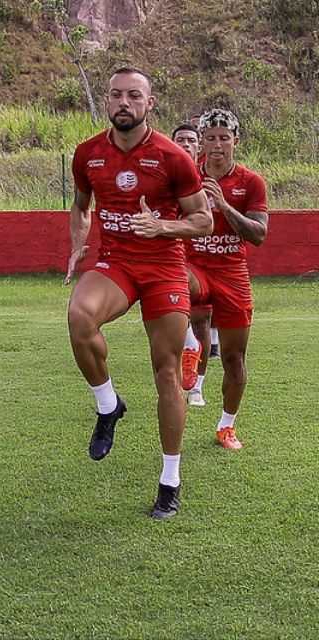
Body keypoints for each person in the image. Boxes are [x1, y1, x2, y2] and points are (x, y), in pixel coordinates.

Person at [65, 68, 212, 519]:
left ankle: (170, 481)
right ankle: (108, 405)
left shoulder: (173, 156)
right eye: (116, 95)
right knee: (79, 316)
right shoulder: (88, 153)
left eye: (134, 95)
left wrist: (161, 226)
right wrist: (77, 245)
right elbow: (81, 205)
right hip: (117, 262)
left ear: (150, 103)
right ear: (107, 101)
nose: (123, 103)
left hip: (164, 268)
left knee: (167, 373)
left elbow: (203, 220)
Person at [184, 109, 268, 448]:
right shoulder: (187, 177)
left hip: (232, 274)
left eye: (224, 138)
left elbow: (259, 234)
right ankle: (190, 344)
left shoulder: (251, 182)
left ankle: (226, 427)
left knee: (234, 360)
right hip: (194, 265)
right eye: (210, 138)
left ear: (236, 140)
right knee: (173, 282)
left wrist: (224, 206)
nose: (217, 145)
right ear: (201, 142)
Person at [171, 122, 208, 391]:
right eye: (180, 140)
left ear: (199, 147)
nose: (185, 144)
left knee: (202, 320)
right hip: (176, 259)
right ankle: (188, 351)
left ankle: (197, 386)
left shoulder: (210, 179)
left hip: (207, 262)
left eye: (191, 140)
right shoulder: (163, 177)